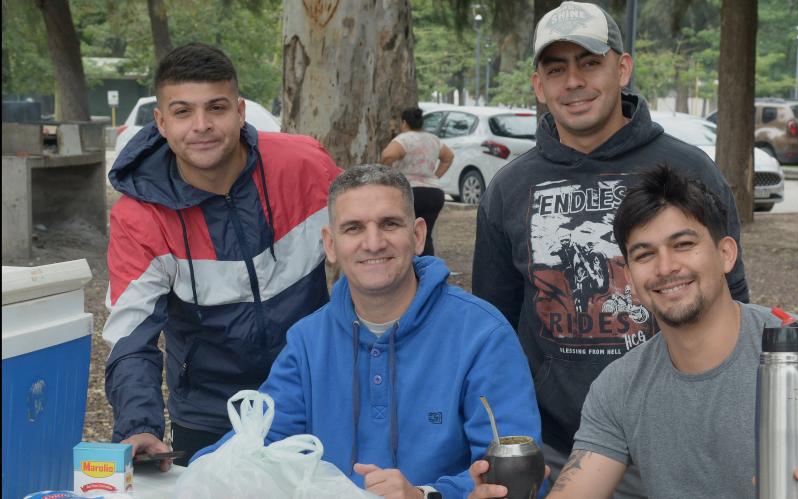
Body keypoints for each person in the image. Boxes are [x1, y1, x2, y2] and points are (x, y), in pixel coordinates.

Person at [469, 164, 798, 499]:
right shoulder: (620, 386)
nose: (666, 268)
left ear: (725, 254)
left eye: (683, 245)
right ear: (629, 275)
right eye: (644, 254)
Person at [470, 2, 749, 494]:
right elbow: (493, 325)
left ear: (622, 68)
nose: (573, 81)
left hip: (676, 439)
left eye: (590, 62)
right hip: (561, 447)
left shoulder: (690, 170)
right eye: (557, 69)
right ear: (539, 85)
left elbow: (735, 305)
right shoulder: (508, 189)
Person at [193, 165, 541, 499]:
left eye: (389, 224)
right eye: (353, 228)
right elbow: (258, 444)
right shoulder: (308, 341)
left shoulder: (482, 334)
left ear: (418, 235)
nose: (373, 243)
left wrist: (425, 495)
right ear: (330, 244)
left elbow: (514, 473)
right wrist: (200, 470)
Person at [103, 43, 340, 469]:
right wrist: (139, 424)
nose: (201, 125)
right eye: (182, 112)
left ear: (240, 111)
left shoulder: (305, 165)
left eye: (216, 107)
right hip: (211, 412)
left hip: (318, 394)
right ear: (160, 122)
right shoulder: (139, 217)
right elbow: (131, 336)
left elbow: (371, 249)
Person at [381, 107, 454, 256]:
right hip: (434, 193)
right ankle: (428, 274)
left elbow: (388, 156)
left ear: (404, 123)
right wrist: (434, 176)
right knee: (424, 236)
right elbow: (449, 156)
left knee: (405, 235)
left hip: (410, 192)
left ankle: (408, 274)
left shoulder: (404, 139)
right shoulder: (432, 139)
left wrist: (388, 177)